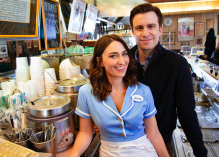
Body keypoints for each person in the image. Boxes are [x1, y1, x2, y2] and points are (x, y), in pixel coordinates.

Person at [69, 34, 169, 157]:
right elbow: (85, 132)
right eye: (113, 56)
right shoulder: (87, 92)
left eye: (124, 54)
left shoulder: (144, 91)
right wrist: (73, 154)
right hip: (109, 152)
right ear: (100, 62)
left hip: (144, 151)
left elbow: (153, 133)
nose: (122, 61)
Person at [129, 3, 207, 157]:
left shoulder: (177, 64)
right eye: (139, 28)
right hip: (128, 144)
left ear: (160, 29)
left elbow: (187, 112)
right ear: (132, 31)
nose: (145, 33)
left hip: (162, 143)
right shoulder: (124, 61)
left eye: (151, 26)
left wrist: (200, 152)